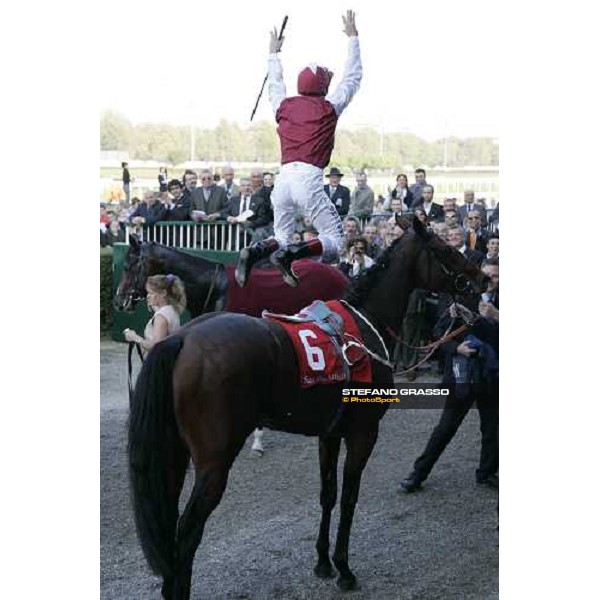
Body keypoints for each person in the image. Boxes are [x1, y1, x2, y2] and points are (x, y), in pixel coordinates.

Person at [235, 10, 362, 288]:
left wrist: (273, 54)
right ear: (324, 86)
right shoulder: (329, 107)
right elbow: (353, 78)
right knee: (336, 240)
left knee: (281, 235)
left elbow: (275, 85)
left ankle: (255, 251)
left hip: (282, 181)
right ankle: (293, 254)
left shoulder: (284, 106)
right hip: (309, 180)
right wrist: (353, 38)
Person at [398, 259, 499, 492]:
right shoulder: (461, 298)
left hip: (492, 375)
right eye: (486, 275)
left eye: (495, 276)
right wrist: (457, 349)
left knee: (493, 429)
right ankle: (418, 474)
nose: (490, 281)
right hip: (462, 373)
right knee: (445, 428)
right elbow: (438, 334)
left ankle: (486, 473)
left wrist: (496, 316)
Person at [123, 274, 187, 354]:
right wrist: (154, 305)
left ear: (164, 293)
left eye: (151, 293)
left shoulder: (161, 316)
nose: (148, 296)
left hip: (158, 364)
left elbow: (156, 347)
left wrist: (135, 337)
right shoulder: (172, 309)